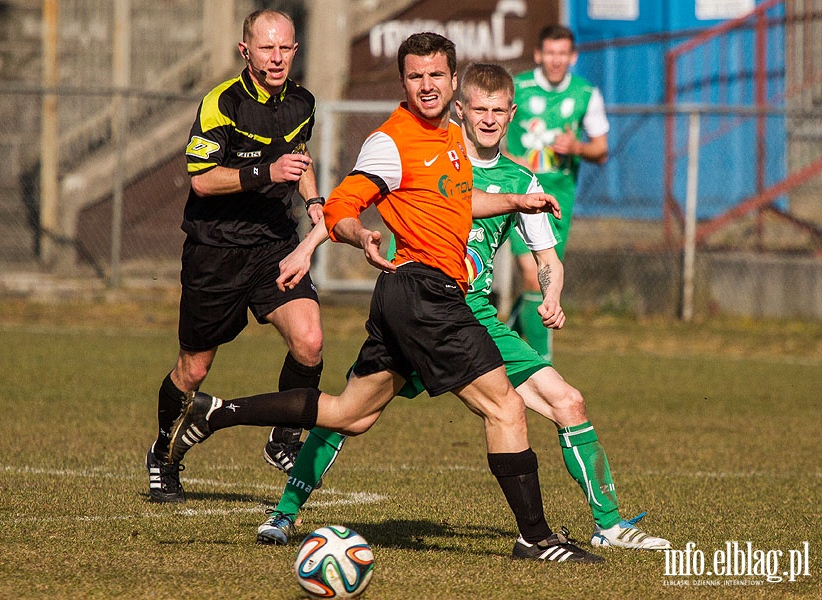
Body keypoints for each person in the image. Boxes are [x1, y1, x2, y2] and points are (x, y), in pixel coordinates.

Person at [167, 32, 604, 563]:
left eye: (436, 75)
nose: (427, 85)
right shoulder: (392, 140)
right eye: (416, 76)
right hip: (426, 292)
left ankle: (221, 411)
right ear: (403, 82)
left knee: (351, 413)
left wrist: (516, 198)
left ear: (452, 81)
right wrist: (341, 238)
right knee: (506, 406)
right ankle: (536, 538)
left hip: (409, 295)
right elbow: (344, 205)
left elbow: (455, 202)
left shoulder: (446, 137)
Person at [255, 63, 670, 553]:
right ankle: (283, 514)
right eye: (480, 109)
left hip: (477, 318)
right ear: (460, 109)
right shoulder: (436, 153)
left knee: (568, 401)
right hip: (422, 309)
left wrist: (552, 293)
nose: (489, 119)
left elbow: (547, 257)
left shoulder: (520, 178)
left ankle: (610, 525)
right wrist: (309, 247)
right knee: (350, 415)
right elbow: (353, 198)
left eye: (499, 110)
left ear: (512, 114)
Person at [147, 9, 329, 503]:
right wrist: (266, 173)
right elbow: (202, 180)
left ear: (295, 50)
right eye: (266, 48)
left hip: (274, 243)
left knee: (310, 342)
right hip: (217, 250)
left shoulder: (302, 102)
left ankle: (283, 437)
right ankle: (164, 454)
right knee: (194, 370)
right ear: (244, 51)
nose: (276, 58)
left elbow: (300, 155)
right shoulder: (221, 103)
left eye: (285, 48)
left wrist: (313, 200)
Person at [503, 24, 609, 362]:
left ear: (573, 57)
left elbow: (601, 150)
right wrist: (510, 159)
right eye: (550, 53)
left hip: (559, 198)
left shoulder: (585, 93)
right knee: (533, 275)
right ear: (538, 55)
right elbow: (484, 136)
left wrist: (577, 146)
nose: (556, 60)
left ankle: (503, 334)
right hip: (521, 193)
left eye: (562, 54)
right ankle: (541, 361)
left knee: (545, 280)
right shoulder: (517, 87)